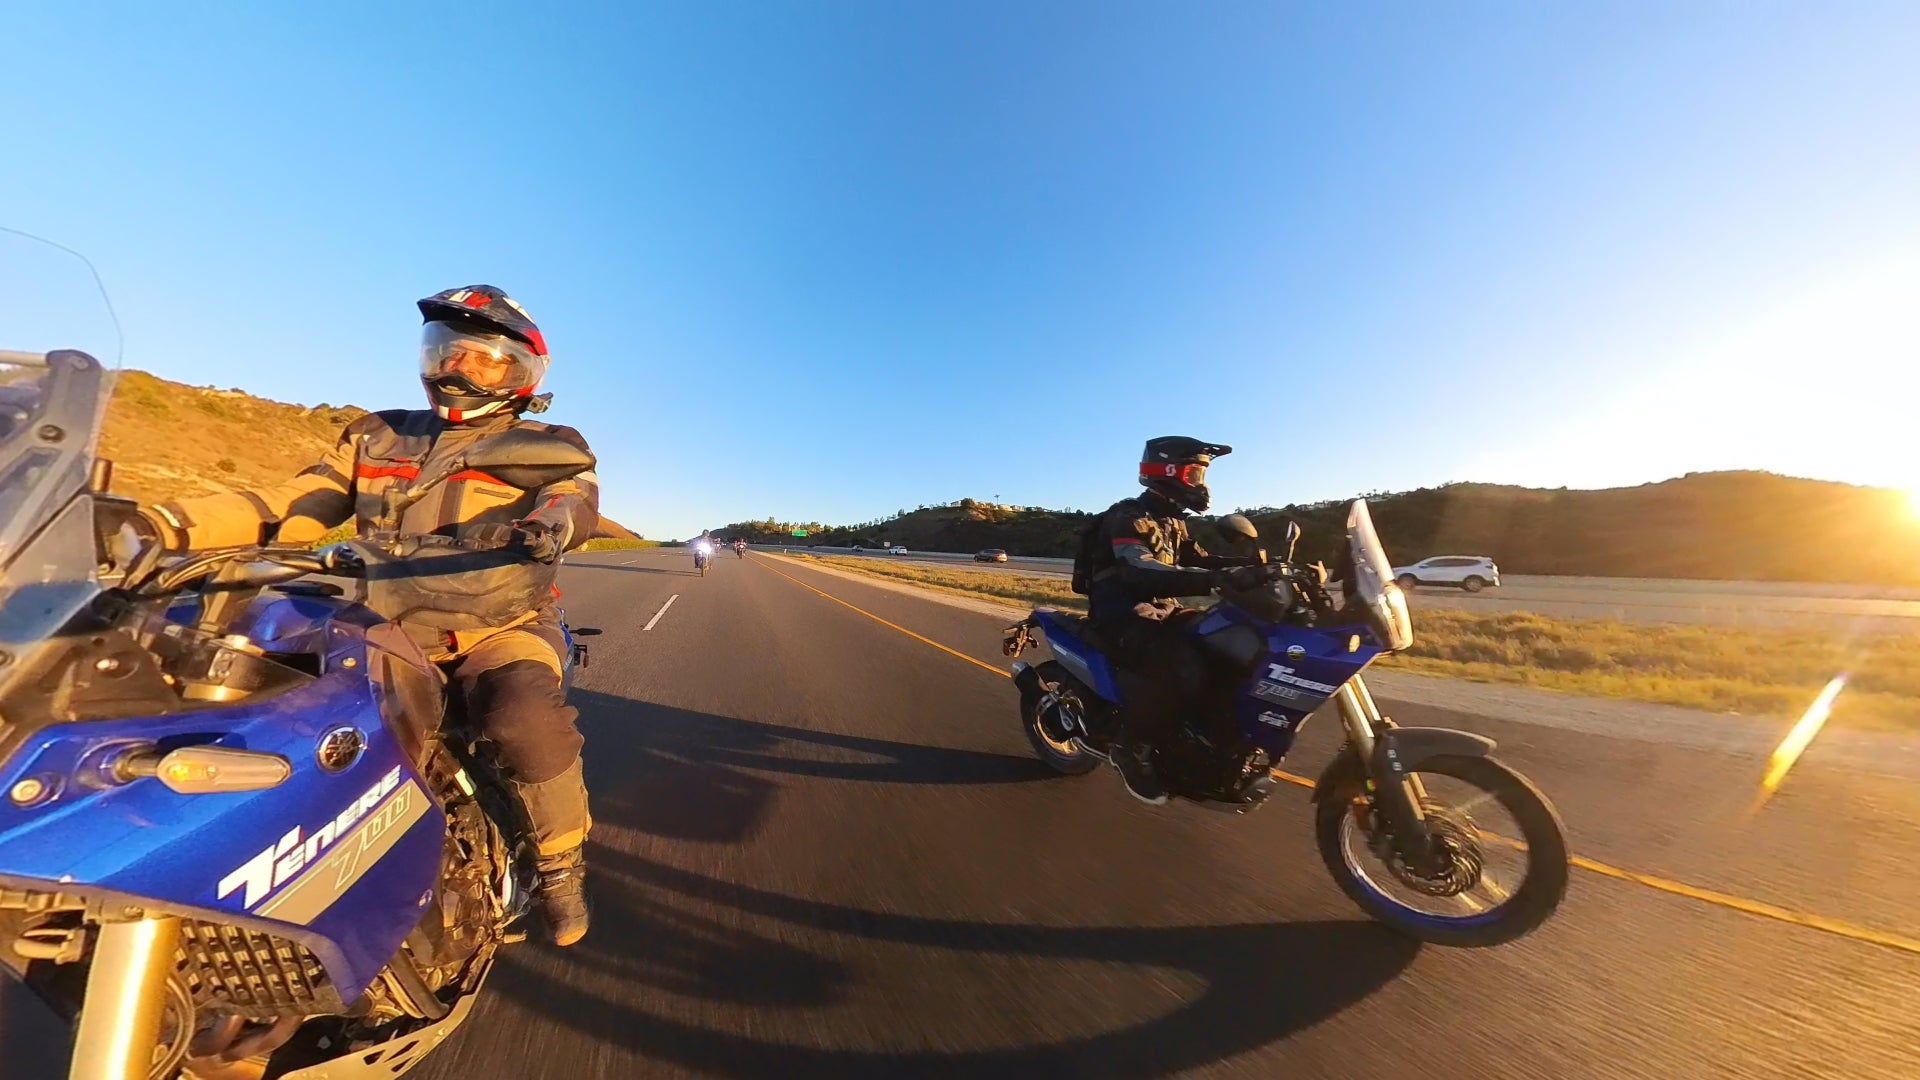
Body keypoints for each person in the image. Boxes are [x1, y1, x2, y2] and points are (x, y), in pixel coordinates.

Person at [136, 285, 600, 945]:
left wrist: (549, 525)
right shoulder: (377, 435)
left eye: (482, 358)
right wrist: (161, 525)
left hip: (499, 624)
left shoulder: (548, 441)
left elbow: (572, 498)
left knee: (521, 717)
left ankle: (559, 864)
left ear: (521, 372)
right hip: (381, 621)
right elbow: (294, 501)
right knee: (291, 715)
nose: (459, 368)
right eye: (449, 351)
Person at [1083, 436, 1274, 805]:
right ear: (1167, 472)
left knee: (1227, 643)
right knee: (1182, 664)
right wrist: (1217, 580)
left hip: (1162, 609)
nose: (1201, 483)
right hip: (1122, 613)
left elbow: (1199, 559)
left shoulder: (1172, 522)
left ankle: (1206, 740)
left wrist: (1254, 567)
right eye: (1194, 474)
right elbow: (1139, 569)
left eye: (1201, 475)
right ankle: (1131, 747)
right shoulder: (1128, 517)